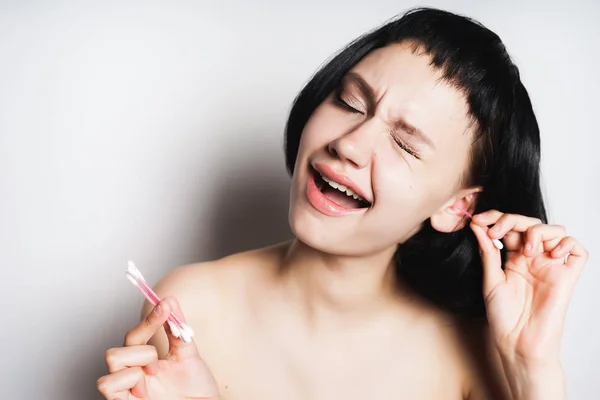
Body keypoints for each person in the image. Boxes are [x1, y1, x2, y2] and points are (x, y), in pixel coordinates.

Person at [97, 7, 588, 400]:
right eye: (351, 103)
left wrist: (533, 371)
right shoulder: (193, 310)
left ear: (458, 208)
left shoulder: (474, 354)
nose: (348, 144)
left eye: (406, 144)